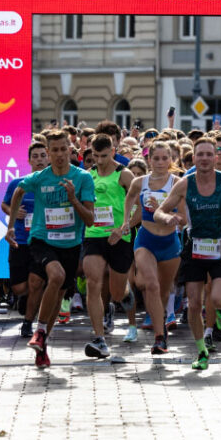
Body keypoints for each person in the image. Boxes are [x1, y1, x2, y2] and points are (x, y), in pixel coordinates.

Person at [155, 137, 221, 370]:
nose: (205, 158)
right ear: (194, 157)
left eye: (209, 154)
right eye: (200, 154)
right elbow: (161, 210)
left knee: (218, 298)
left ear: (217, 157)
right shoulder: (184, 184)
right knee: (193, 304)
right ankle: (201, 351)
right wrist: (169, 218)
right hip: (195, 247)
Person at [4, 130, 96, 368]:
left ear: (70, 150)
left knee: (57, 297)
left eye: (62, 149)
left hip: (70, 244)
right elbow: (18, 192)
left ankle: (42, 341)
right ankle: (39, 332)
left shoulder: (83, 178)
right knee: (56, 275)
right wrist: (11, 226)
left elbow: (89, 220)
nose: (58, 155)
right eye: (53, 151)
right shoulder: (40, 177)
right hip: (42, 239)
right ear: (48, 152)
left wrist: (73, 199)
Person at [122, 142, 182, 352]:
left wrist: (171, 217)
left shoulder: (177, 182)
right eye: (155, 158)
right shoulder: (140, 182)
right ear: (149, 160)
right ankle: (159, 338)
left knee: (164, 291)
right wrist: (125, 221)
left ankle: (161, 322)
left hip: (169, 242)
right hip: (146, 239)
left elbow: (183, 216)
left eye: (164, 158)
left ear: (170, 160)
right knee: (152, 285)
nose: (160, 162)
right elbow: (129, 197)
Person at [81, 135, 136, 359]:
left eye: (104, 156)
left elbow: (138, 208)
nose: (100, 160)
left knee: (115, 291)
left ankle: (123, 294)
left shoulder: (124, 174)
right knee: (93, 283)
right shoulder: (87, 175)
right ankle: (99, 338)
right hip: (93, 235)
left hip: (119, 237)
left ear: (113, 151)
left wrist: (123, 228)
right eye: (95, 156)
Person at [2, 142, 49, 338]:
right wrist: (15, 212)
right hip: (20, 239)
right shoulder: (18, 183)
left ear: (48, 158)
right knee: (19, 287)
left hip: (42, 241)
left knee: (36, 280)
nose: (39, 159)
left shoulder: (53, 184)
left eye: (42, 155)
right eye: (35, 156)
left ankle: (28, 322)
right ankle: (28, 297)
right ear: (29, 160)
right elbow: (5, 205)